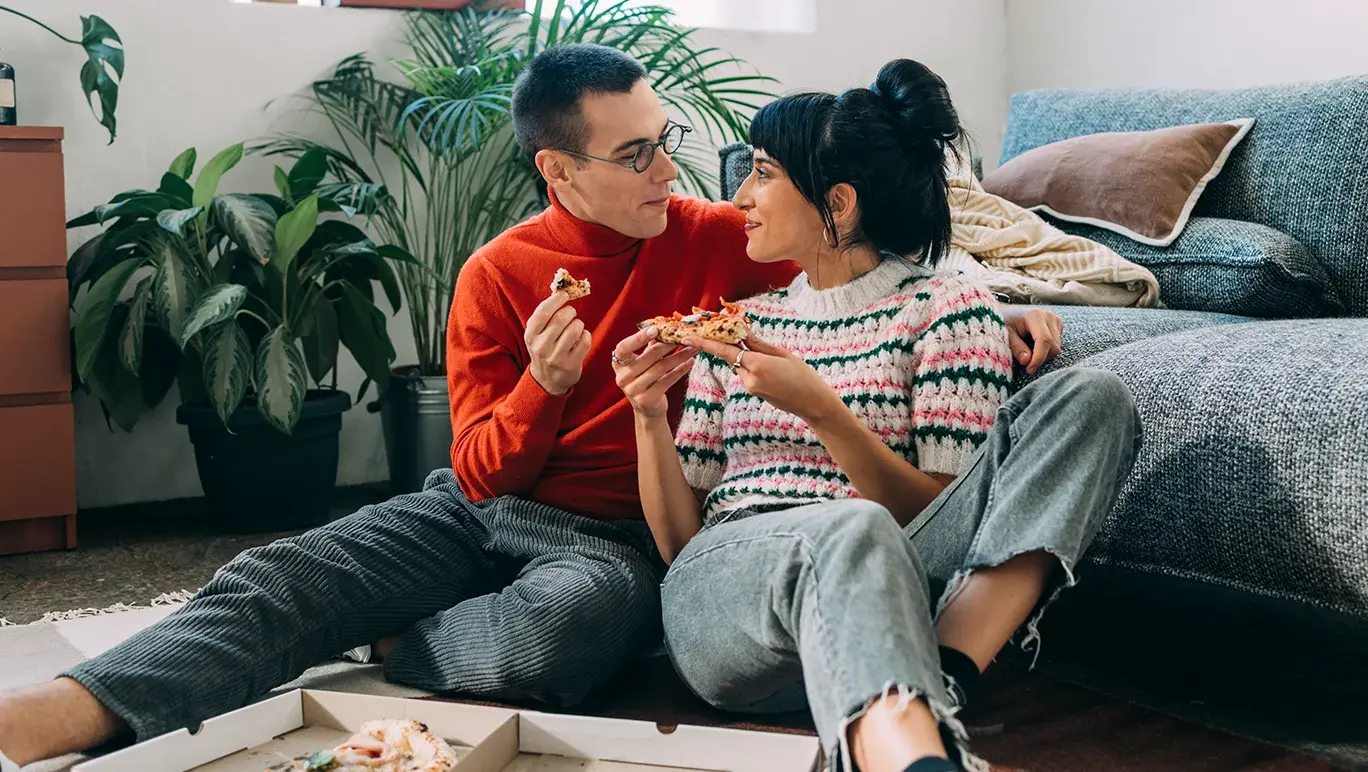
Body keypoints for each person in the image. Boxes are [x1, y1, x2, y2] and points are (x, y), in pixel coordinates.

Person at [0, 44, 1067, 770]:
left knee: (568, 626)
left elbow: (862, 248)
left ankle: (398, 647)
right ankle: (60, 709)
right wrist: (544, 388)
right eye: (636, 154)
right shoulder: (498, 275)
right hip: (482, 507)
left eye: (666, 139)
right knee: (295, 571)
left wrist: (1007, 307)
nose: (672, 170)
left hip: (614, 542)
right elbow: (480, 472)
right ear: (560, 170)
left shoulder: (713, 239)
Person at [612, 59, 1141, 772]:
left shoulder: (949, 308)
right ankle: (917, 710)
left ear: (840, 202)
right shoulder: (734, 327)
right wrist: (648, 412)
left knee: (1092, 397)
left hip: (894, 583)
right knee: (848, 525)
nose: (741, 195)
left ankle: (934, 684)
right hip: (735, 607)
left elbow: (941, 516)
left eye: (763, 172)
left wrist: (825, 414)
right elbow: (681, 544)